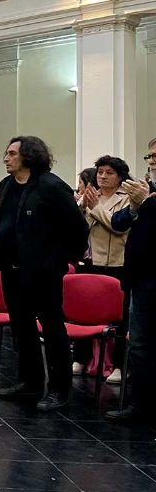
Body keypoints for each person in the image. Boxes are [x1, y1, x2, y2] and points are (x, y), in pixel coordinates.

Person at [0, 136, 88, 411]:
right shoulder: (7, 185)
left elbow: (77, 229)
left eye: (11, 153)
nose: (6, 158)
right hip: (12, 271)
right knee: (21, 329)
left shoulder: (51, 186)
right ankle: (29, 382)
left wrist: (58, 261)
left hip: (43, 272)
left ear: (28, 156)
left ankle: (59, 389)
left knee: (52, 328)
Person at [106, 137, 156, 424]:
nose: (151, 162)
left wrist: (146, 203)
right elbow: (119, 222)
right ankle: (140, 405)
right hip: (141, 279)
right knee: (139, 345)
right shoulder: (143, 191)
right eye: (149, 156)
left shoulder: (147, 196)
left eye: (155, 156)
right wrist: (136, 206)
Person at [76, 155, 133, 384]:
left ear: (120, 177)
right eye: (100, 172)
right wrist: (81, 207)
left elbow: (118, 225)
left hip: (116, 263)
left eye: (109, 173)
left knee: (118, 318)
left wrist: (94, 209)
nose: (102, 176)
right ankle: (81, 358)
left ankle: (119, 365)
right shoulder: (91, 196)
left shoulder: (128, 198)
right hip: (90, 260)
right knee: (83, 312)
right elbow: (77, 225)